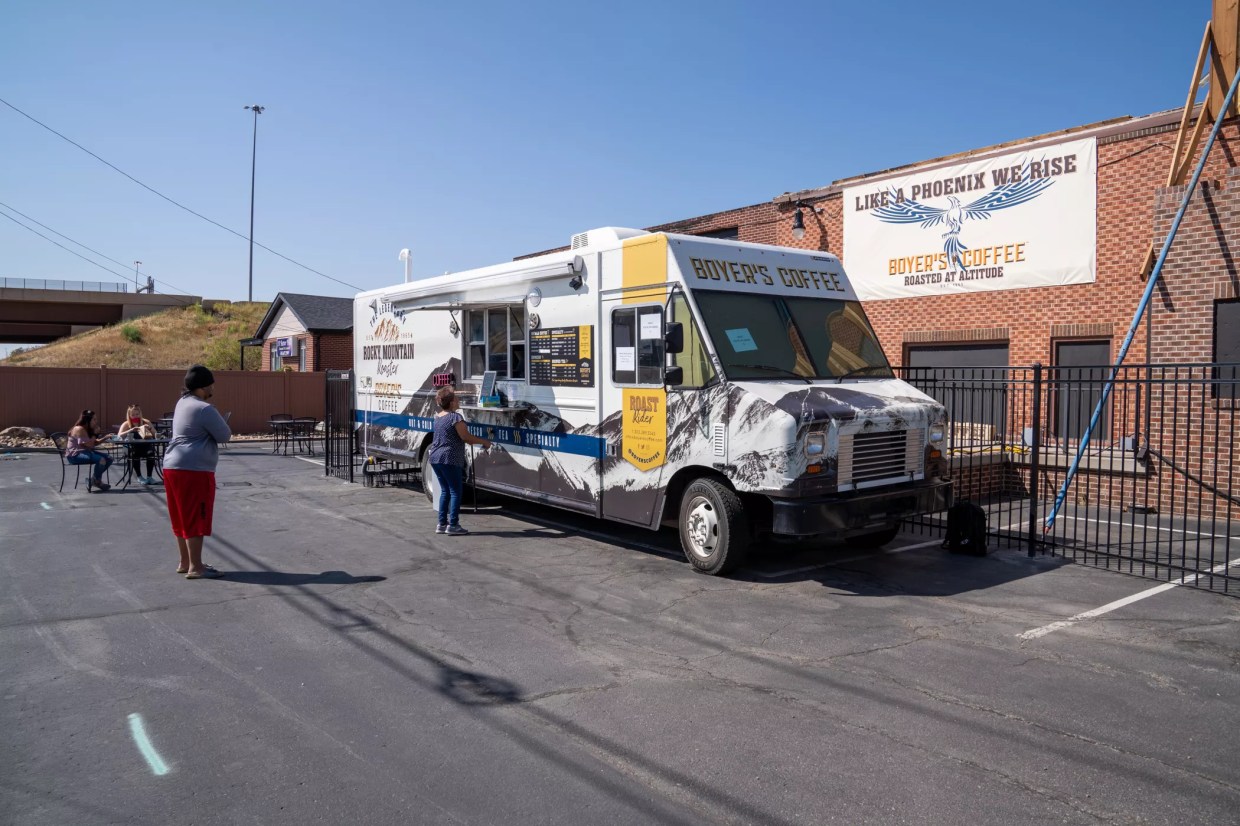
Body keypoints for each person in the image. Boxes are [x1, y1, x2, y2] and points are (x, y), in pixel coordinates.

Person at [162, 365, 232, 579]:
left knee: (180, 517)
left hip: (172, 466)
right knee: (196, 516)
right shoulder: (204, 409)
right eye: (211, 384)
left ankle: (185, 562)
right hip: (194, 470)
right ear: (202, 387)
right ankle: (196, 567)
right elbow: (224, 435)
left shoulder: (182, 403)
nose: (213, 388)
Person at [429, 385, 491, 535]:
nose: (458, 401)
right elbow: (466, 437)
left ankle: (442, 523)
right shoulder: (455, 417)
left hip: (436, 457)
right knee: (456, 491)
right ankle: (454, 525)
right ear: (451, 403)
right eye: (456, 399)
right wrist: (484, 442)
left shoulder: (439, 417)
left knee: (445, 491)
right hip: (449, 458)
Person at [65, 409, 114, 492]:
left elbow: (93, 443)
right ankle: (97, 481)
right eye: (94, 419)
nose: (96, 421)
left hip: (85, 452)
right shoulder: (79, 429)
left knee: (109, 458)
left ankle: (93, 480)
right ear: (88, 420)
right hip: (75, 455)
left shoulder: (86, 429)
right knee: (101, 460)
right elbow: (90, 445)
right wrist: (95, 434)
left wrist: (105, 437)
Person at [118, 404, 159, 485]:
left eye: (137, 414)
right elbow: (119, 436)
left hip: (145, 446)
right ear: (129, 415)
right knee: (134, 454)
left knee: (151, 453)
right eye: (133, 415)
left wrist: (149, 428)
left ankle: (149, 476)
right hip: (131, 447)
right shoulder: (126, 424)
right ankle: (139, 476)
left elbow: (156, 435)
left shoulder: (145, 421)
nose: (135, 416)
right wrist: (131, 430)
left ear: (140, 414)